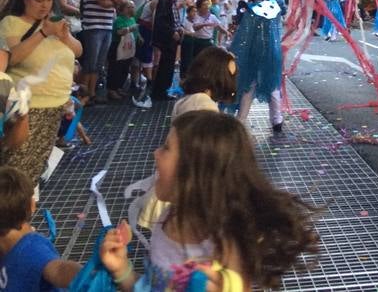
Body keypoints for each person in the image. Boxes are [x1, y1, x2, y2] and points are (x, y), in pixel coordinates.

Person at [100, 110, 319, 291]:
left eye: (166, 148)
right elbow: (151, 287)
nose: (155, 153)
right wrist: (122, 270)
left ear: (195, 174)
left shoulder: (221, 239)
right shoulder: (168, 217)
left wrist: (224, 286)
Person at [137, 46, 238, 231]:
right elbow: (202, 146)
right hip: (186, 176)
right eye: (230, 75)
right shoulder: (204, 105)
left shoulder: (190, 98)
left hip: (178, 172)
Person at [0, 0, 82, 188]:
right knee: (15, 171)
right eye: (39, 0)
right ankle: (11, 216)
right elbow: (12, 57)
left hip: (55, 107)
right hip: (27, 109)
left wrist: (64, 36)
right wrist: (43, 33)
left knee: (34, 171)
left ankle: (22, 215)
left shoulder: (54, 22)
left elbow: (78, 50)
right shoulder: (12, 23)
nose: (45, 5)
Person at [0, 166, 81, 289]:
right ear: (32, 205)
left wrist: (87, 277)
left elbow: (58, 269)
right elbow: (59, 269)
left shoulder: (32, 249)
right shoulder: (30, 248)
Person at [230, 0, 285, 132]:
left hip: (254, 54)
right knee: (273, 85)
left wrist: (235, 53)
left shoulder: (251, 10)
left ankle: (241, 120)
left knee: (249, 85)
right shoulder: (275, 6)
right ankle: (277, 120)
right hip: (273, 54)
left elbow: (243, 36)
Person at [79, 0, 122, 104]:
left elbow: (121, 0)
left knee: (99, 63)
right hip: (93, 27)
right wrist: (114, 0)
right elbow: (104, 2)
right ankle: (83, 95)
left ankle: (92, 93)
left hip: (107, 27)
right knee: (90, 61)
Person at [151, 0, 182, 101]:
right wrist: (172, 31)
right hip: (167, 38)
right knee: (166, 65)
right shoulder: (164, 0)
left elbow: (174, 18)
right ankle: (160, 92)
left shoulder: (171, 1)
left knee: (168, 65)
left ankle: (163, 90)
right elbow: (161, 20)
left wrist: (180, 28)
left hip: (172, 36)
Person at [107, 1, 139, 100]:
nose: (131, 9)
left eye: (133, 7)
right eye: (128, 7)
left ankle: (119, 87)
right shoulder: (119, 20)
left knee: (125, 68)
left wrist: (140, 37)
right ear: (122, 9)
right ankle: (112, 90)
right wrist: (129, 29)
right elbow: (119, 32)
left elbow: (136, 31)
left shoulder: (132, 19)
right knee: (115, 68)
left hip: (129, 47)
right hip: (118, 46)